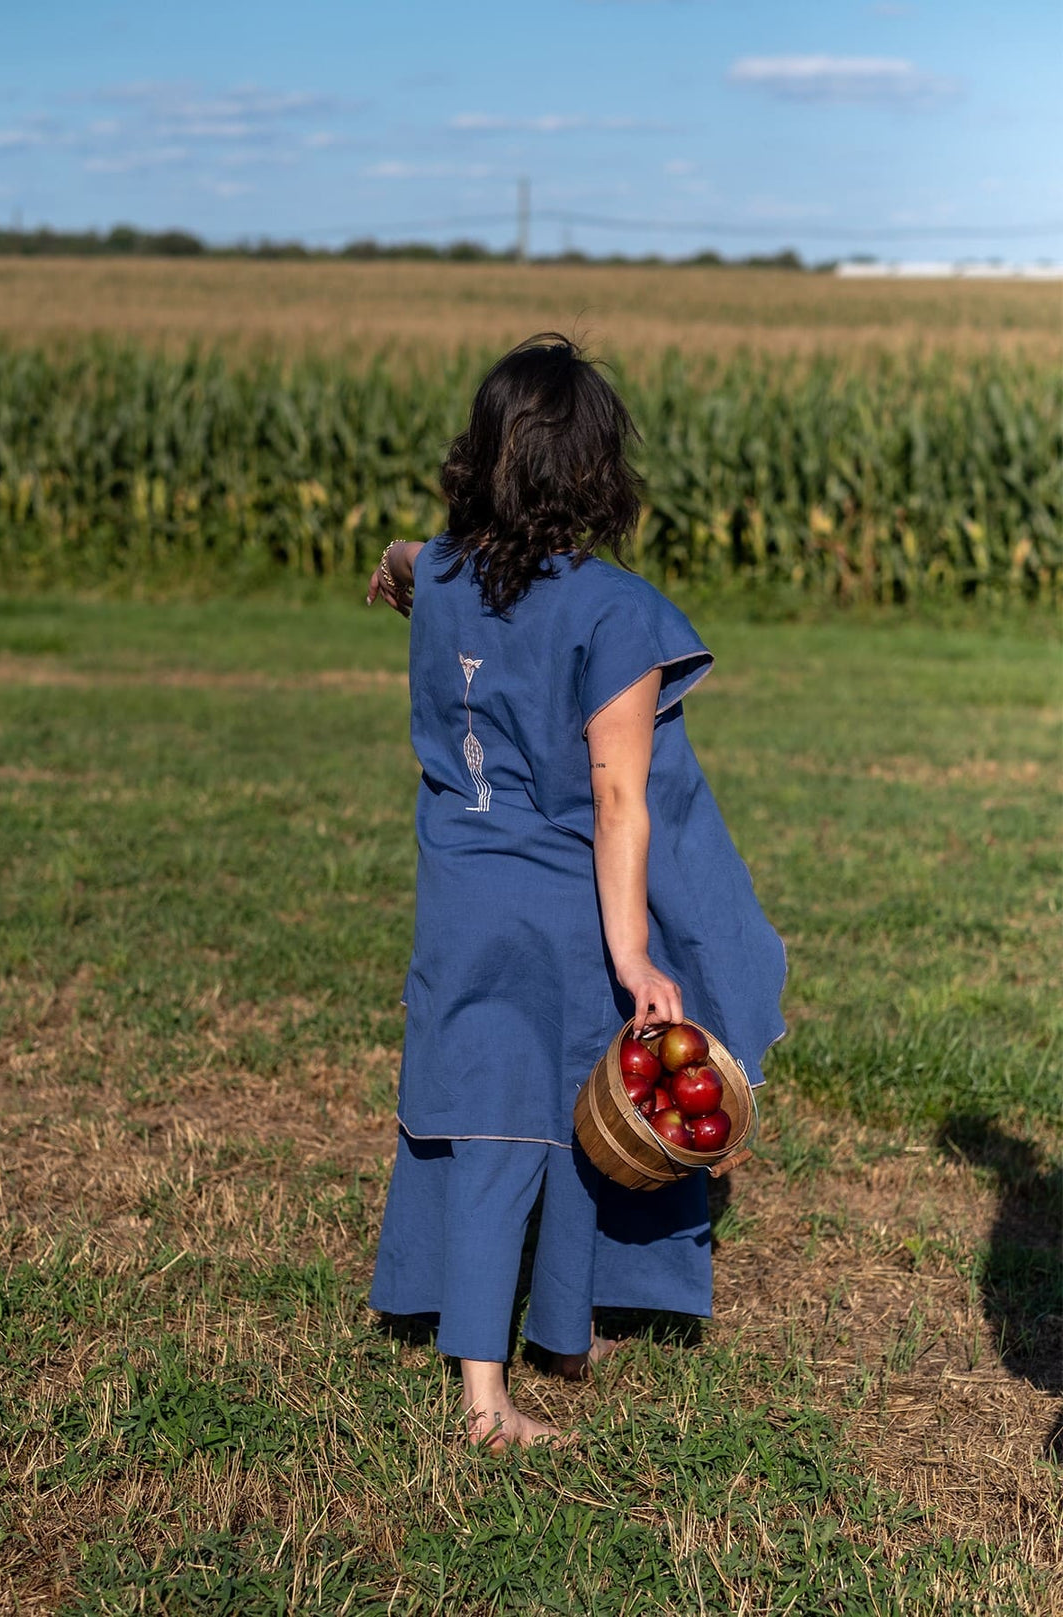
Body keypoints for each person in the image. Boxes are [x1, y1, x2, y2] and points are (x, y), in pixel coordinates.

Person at [365, 334, 785, 1450]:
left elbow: (415, 560)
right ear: (599, 473)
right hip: (559, 915)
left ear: (483, 459)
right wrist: (639, 953)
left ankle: (561, 1330)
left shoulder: (444, 577)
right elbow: (619, 804)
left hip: (457, 898)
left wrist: (398, 561)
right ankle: (485, 1403)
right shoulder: (616, 614)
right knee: (530, 1131)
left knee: (520, 1116)